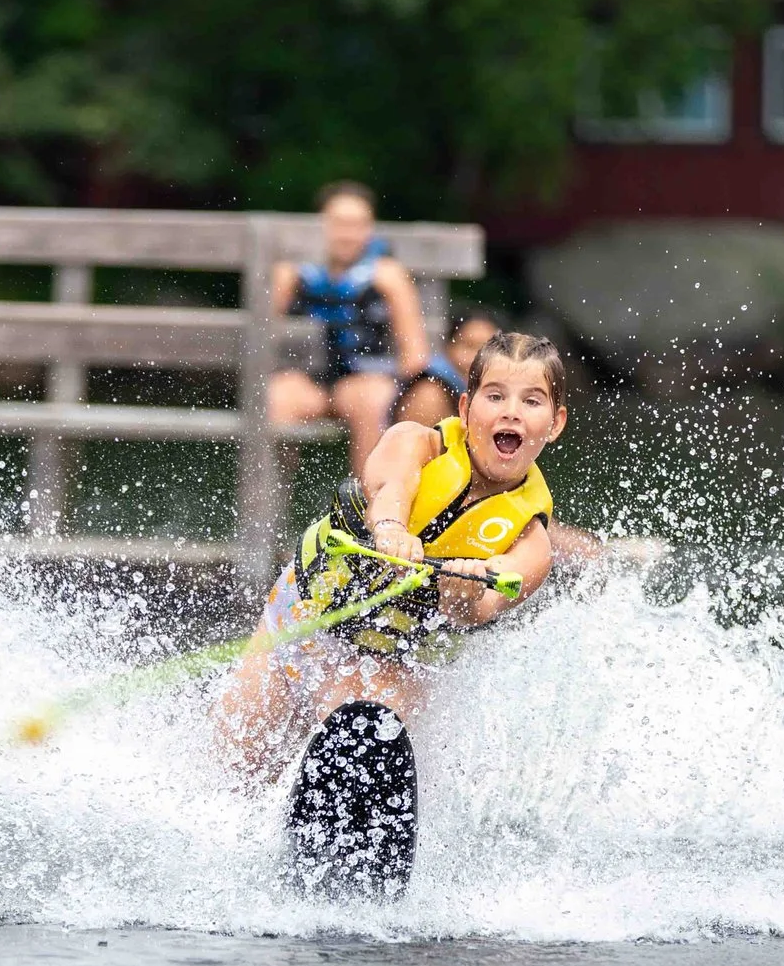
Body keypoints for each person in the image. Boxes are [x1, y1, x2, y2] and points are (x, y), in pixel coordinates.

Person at [217, 331, 568, 779]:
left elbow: (487, 603)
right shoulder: (415, 441)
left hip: (394, 659)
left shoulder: (532, 539)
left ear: (555, 423)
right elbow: (390, 484)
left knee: (360, 731)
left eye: (532, 401)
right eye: (495, 395)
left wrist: (463, 593)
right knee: (234, 772)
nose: (511, 412)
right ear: (465, 408)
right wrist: (390, 527)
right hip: (300, 616)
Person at [270, 182, 461, 472]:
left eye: (357, 224)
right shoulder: (297, 274)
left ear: (370, 230)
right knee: (278, 397)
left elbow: (414, 355)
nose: (347, 234)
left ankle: (365, 503)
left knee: (371, 399)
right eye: (338, 224)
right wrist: (280, 284)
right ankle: (268, 506)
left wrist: (407, 393)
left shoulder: (388, 277)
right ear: (319, 226)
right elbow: (262, 339)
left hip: (368, 380)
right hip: (312, 381)